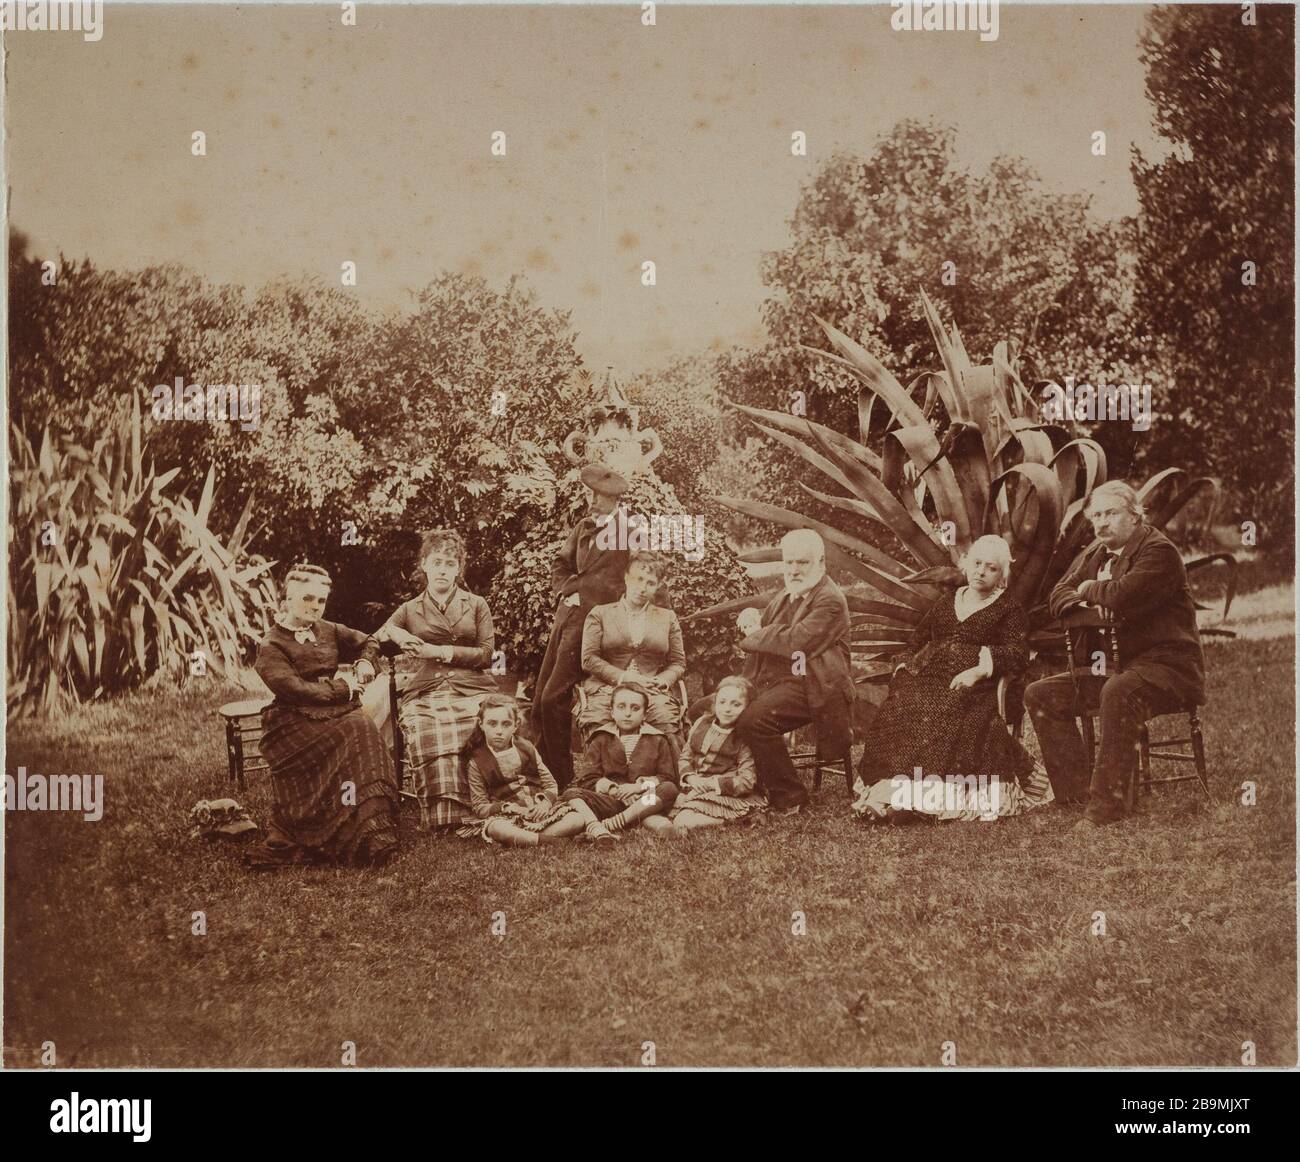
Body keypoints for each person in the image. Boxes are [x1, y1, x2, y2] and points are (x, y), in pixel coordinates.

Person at [1025, 481, 1205, 826]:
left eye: (1110, 513)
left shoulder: (1158, 551)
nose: (1101, 523)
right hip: (1113, 666)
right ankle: (1076, 794)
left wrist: (1091, 589)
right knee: (1041, 694)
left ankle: (1106, 810)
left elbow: (1124, 595)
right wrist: (1090, 599)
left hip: (1167, 667)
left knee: (1118, 692)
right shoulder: (1096, 553)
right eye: (1096, 516)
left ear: (1135, 516)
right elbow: (1056, 595)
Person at [850, 535, 1054, 823]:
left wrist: (980, 669)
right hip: (930, 678)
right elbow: (916, 641)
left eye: (991, 568)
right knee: (900, 710)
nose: (981, 571)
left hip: (975, 687)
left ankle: (920, 802)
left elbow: (1017, 652)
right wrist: (903, 666)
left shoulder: (1009, 609)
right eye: (977, 563)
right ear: (966, 564)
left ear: (1002, 575)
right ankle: (890, 797)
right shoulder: (948, 601)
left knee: (948, 717)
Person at [247, 563, 399, 868]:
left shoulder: (328, 629)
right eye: (307, 598)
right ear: (287, 599)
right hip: (291, 722)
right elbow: (296, 690)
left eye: (320, 600)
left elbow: (370, 641)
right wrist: (344, 687)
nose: (315, 606)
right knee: (358, 727)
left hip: (334, 712)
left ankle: (371, 832)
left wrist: (366, 663)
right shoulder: (270, 645)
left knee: (361, 727)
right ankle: (329, 831)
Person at [376, 529, 498, 832]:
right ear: (425, 566)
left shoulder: (477, 604)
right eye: (437, 562)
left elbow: (486, 654)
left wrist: (440, 651)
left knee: (486, 722)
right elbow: (376, 638)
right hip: (428, 687)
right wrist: (396, 633)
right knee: (426, 726)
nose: (443, 569)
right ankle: (445, 815)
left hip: (472, 684)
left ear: (458, 569)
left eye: (450, 563)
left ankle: (490, 803)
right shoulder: (409, 608)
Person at [733, 529, 854, 815]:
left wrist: (757, 632)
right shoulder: (791, 592)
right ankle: (743, 783)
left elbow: (795, 641)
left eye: (802, 563)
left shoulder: (830, 599)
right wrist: (754, 617)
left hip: (815, 684)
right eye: (789, 563)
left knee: (754, 720)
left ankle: (791, 795)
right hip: (778, 680)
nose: (794, 570)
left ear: (821, 562)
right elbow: (773, 629)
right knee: (713, 706)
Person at [533, 464, 631, 788]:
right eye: (590, 493)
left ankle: (564, 782)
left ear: (614, 498)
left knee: (552, 699)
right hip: (566, 618)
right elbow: (560, 563)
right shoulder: (583, 526)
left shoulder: (628, 533)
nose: (591, 500)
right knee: (538, 703)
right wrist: (567, 590)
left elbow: (642, 579)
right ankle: (545, 777)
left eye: (598, 496)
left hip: (594, 625)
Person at [459, 694, 616, 846]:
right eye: (492, 723)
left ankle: (525, 839)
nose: (499, 731)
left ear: (516, 725)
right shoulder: (477, 761)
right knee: (496, 829)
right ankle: (547, 840)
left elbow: (550, 785)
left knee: (576, 819)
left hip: (538, 812)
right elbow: (480, 806)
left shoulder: (527, 748)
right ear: (481, 724)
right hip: (507, 817)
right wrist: (508, 808)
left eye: (506, 724)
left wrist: (544, 804)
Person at [578, 550, 685, 746]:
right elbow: (589, 659)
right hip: (607, 689)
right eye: (638, 579)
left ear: (658, 586)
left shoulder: (667, 617)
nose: (642, 588)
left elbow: (678, 662)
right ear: (626, 577)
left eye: (650, 583)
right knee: (599, 730)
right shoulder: (600, 614)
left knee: (668, 727)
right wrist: (625, 677)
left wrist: (662, 680)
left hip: (652, 692)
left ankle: (671, 776)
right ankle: (601, 777)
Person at [644, 675, 765, 836]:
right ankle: (665, 827)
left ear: (747, 708)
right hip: (696, 785)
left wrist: (710, 783)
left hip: (725, 793)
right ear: (715, 702)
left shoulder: (743, 737)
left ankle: (740, 817)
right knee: (649, 806)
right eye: (722, 702)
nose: (727, 709)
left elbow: (746, 781)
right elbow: (686, 756)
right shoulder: (702, 723)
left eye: (736, 704)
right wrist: (690, 778)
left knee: (684, 820)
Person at [561, 681, 679, 835]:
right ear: (612, 712)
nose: (628, 713)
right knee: (571, 793)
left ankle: (616, 823)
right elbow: (588, 779)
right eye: (621, 707)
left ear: (645, 714)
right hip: (612, 801)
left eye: (635, 708)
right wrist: (614, 790)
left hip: (645, 799)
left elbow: (666, 777)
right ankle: (598, 825)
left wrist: (638, 787)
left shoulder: (658, 739)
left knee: (669, 789)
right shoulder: (601, 738)